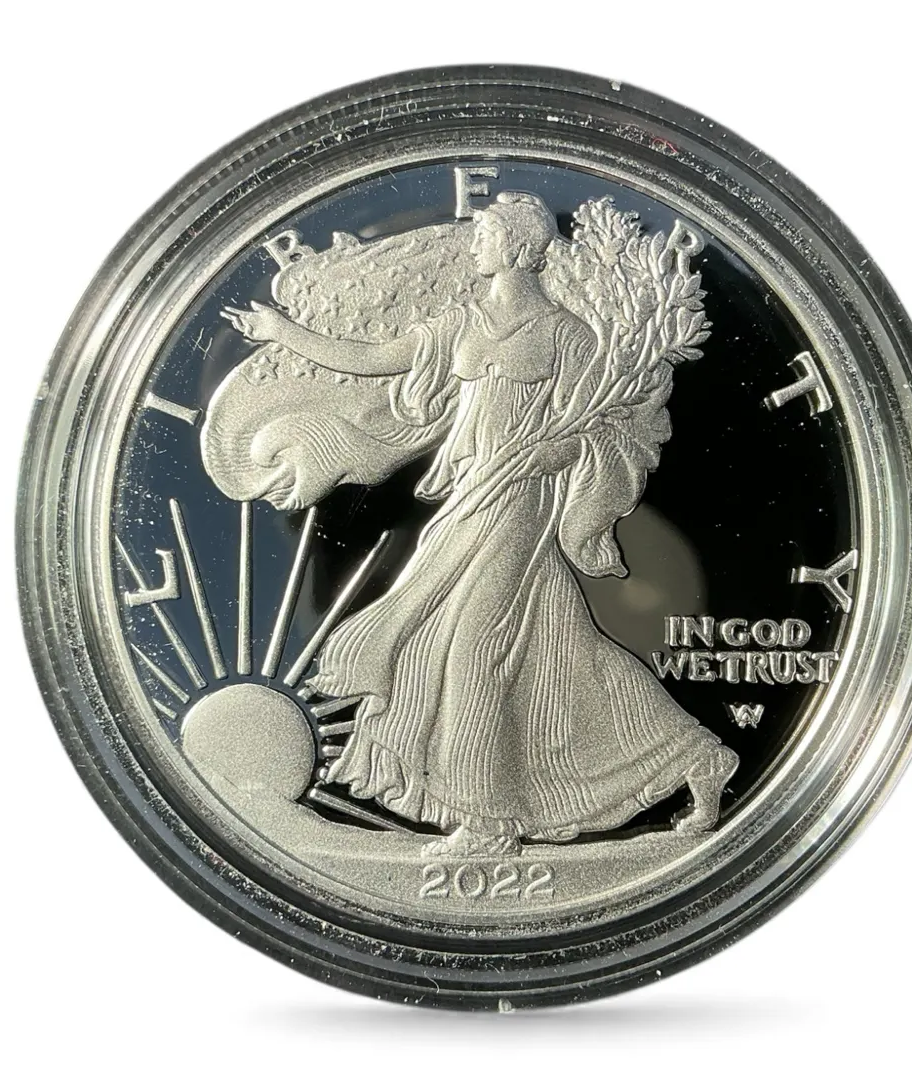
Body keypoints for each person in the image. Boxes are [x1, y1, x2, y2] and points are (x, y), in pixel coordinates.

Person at [225, 192, 736, 857]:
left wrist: (545, 454)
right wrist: (282, 332)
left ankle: (488, 820)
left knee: (471, 645)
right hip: (469, 496)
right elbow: (376, 357)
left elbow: (602, 429)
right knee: (558, 648)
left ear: (520, 249)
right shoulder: (460, 323)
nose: (475, 244)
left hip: (521, 501)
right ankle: (698, 759)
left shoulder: (568, 335)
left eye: (486, 234)